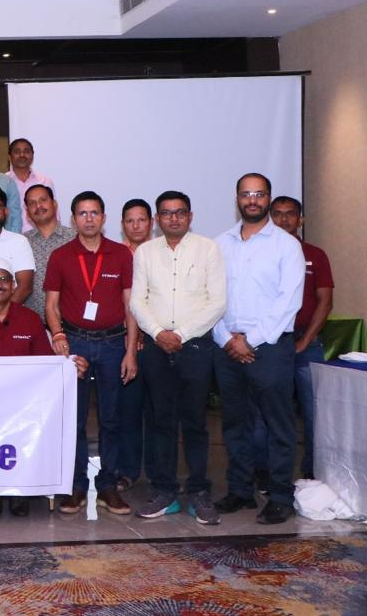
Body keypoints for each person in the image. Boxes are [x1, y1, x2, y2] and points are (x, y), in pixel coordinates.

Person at [0, 259, 87, 518]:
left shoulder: (30, 319)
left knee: (23, 431)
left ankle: (19, 492)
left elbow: (45, 365)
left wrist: (69, 367)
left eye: (4, 279)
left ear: (13, 286)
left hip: (22, 405)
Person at [212, 174, 304, 525]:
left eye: (259, 194)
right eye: (246, 194)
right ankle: (240, 490)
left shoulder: (286, 245)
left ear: (268, 198)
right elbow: (210, 297)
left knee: (278, 424)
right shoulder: (219, 244)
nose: (252, 200)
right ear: (237, 198)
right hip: (227, 346)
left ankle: (280, 496)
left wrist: (249, 340)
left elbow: (288, 301)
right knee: (235, 423)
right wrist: (226, 338)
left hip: (270, 348)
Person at [129, 191, 226, 525]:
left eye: (180, 212)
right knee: (161, 422)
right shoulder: (145, 252)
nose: (174, 218)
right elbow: (138, 301)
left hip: (195, 347)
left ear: (190, 216)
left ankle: (199, 491)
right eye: (167, 214)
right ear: (157, 219)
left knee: (196, 422)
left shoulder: (208, 249)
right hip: (156, 347)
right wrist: (158, 333)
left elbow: (217, 302)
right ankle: (165, 491)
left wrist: (180, 335)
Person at [44, 191, 138, 516]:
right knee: (75, 418)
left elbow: (130, 306)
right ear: (73, 220)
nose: (89, 219)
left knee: (112, 418)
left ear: (104, 218)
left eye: (94, 213)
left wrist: (130, 351)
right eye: (82, 213)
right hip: (76, 343)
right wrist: (58, 335)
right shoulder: (60, 256)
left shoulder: (121, 254)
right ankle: (76, 485)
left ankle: (108, 485)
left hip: (113, 344)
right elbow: (51, 304)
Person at [257, 196, 333, 482]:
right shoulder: (260, 254)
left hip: (306, 344)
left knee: (314, 412)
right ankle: (264, 472)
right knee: (266, 413)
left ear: (300, 220)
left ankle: (313, 472)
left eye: (290, 214)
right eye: (277, 214)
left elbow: (325, 302)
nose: (283, 220)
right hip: (268, 344)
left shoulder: (315, 254)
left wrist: (305, 340)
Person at [117, 198, 154, 490]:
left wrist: (146, 332)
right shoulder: (116, 255)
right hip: (124, 342)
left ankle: (157, 472)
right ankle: (128, 470)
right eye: (130, 221)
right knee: (127, 410)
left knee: (157, 410)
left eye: (141, 220)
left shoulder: (162, 254)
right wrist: (131, 336)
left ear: (151, 223)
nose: (136, 226)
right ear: (122, 225)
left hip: (157, 341)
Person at [23, 184, 75, 320]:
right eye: (32, 203)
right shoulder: (21, 242)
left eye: (43, 200)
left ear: (54, 204)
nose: (38, 206)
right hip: (33, 324)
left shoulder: (75, 238)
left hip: (71, 324)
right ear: (27, 212)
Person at [8, 138, 54, 212]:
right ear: (9, 157)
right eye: (17, 152)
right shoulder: (2, 182)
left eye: (26, 151)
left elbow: (53, 211)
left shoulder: (45, 181)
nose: (22, 155)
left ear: (32, 155)